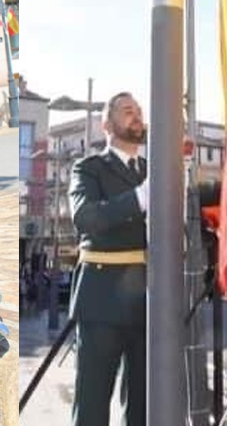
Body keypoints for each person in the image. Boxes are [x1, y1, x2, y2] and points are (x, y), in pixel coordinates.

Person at [67, 92, 147, 426]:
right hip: (103, 298)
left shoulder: (153, 170)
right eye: (128, 111)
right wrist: (139, 198)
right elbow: (86, 217)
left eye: (138, 111)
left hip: (148, 300)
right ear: (106, 125)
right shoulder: (89, 168)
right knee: (93, 404)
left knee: (144, 405)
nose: (137, 116)